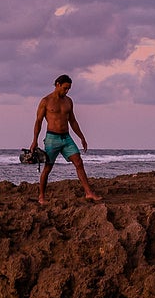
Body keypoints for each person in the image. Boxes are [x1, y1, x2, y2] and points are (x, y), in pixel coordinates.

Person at [29, 74, 101, 204]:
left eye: (68, 89)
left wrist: (82, 137)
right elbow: (38, 122)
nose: (66, 91)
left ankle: (89, 193)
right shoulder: (46, 101)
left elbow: (73, 121)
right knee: (48, 167)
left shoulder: (68, 101)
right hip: (52, 138)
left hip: (66, 138)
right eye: (65, 88)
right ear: (58, 85)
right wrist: (35, 140)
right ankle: (41, 197)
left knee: (79, 162)